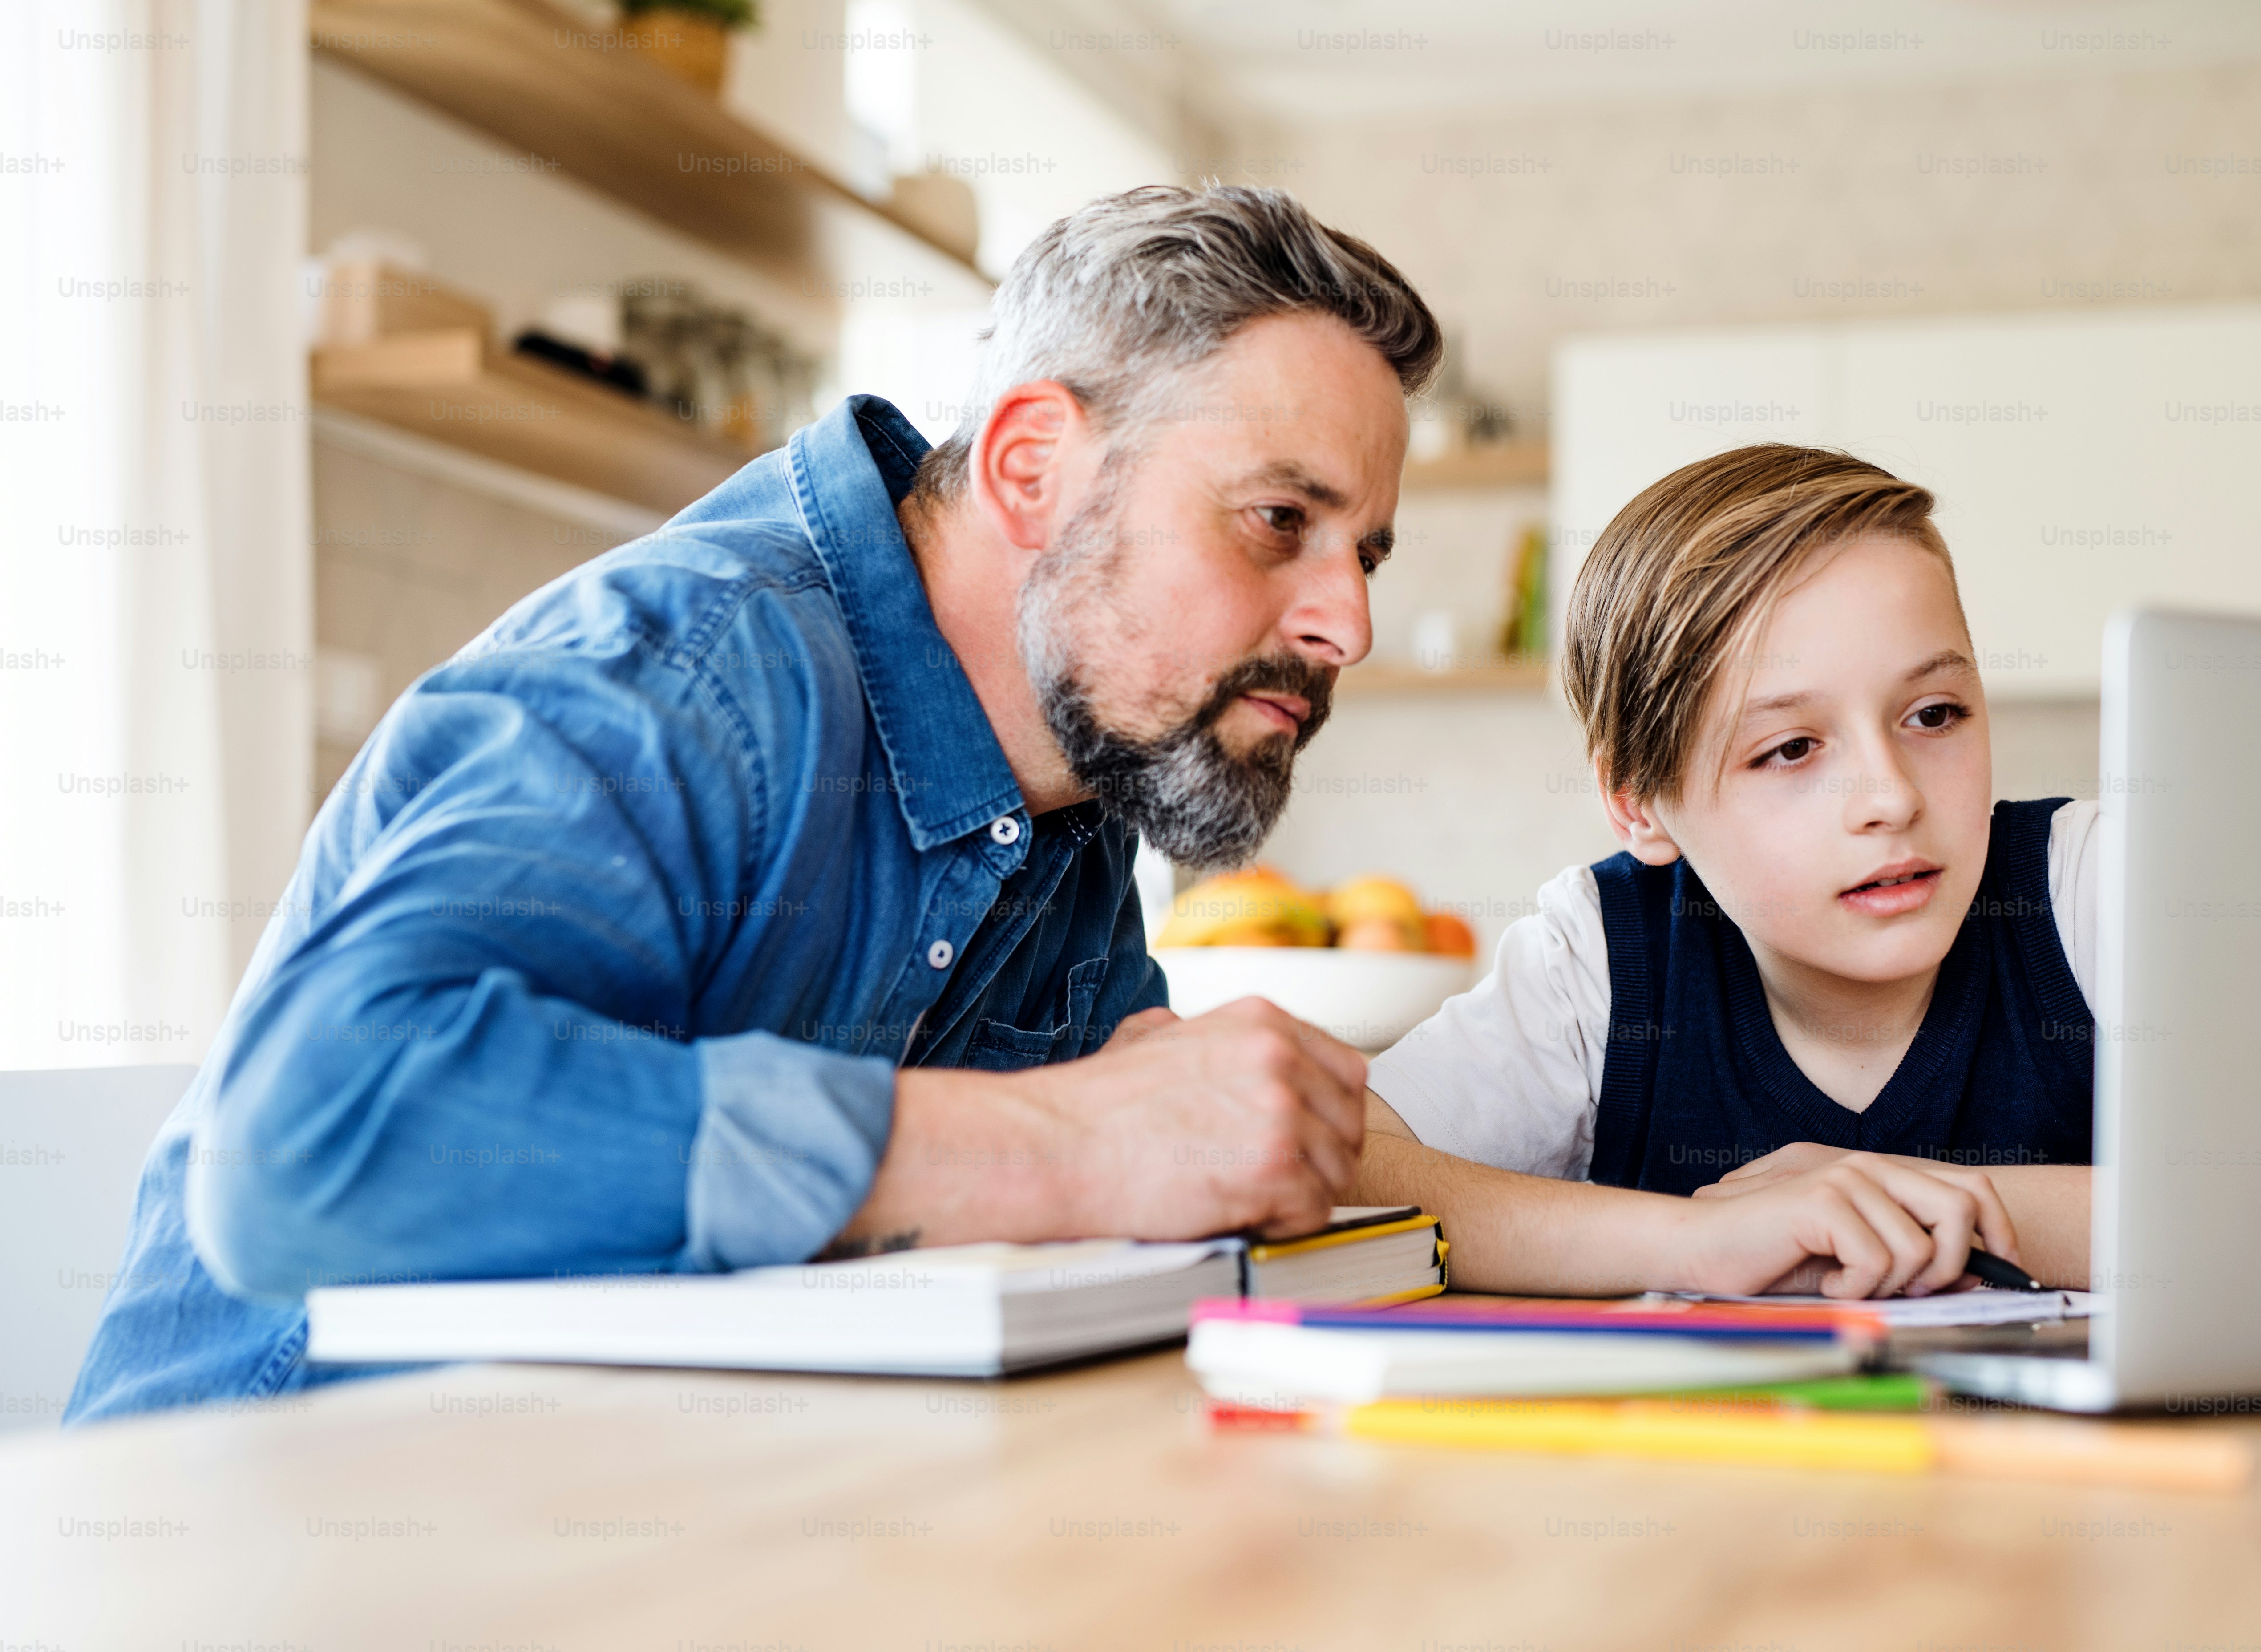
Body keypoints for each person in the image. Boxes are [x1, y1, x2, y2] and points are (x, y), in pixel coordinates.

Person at [67, 184, 1442, 1421]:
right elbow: (306, 1143)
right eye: (1279, 520)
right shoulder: (692, 666)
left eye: (1364, 554)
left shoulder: (1075, 776)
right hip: (280, 1531)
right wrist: (1066, 1145)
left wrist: (1657, 1243)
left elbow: (1194, 1154)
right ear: (1032, 468)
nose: (1348, 624)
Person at [1351, 444, 2094, 1299]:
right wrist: (1695, 1239)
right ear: (1638, 804)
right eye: (1790, 749)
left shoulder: (2088, 889)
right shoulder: (1602, 962)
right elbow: (1345, 1165)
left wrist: (1910, 1210)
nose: (1890, 797)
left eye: (1933, 714)